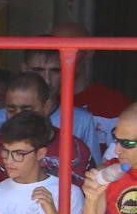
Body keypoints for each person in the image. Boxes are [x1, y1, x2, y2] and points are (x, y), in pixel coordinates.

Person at [0, 72, 93, 198]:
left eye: (26, 109)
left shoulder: (77, 149)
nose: (18, 115)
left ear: (47, 106)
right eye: (11, 109)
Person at [0, 47, 102, 159]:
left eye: (55, 71)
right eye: (38, 70)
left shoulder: (82, 120)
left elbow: (91, 171)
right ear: (24, 69)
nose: (46, 79)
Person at [53, 21, 131, 151]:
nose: (60, 56)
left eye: (70, 48)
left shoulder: (115, 104)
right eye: (53, 49)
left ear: (88, 54)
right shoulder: (39, 102)